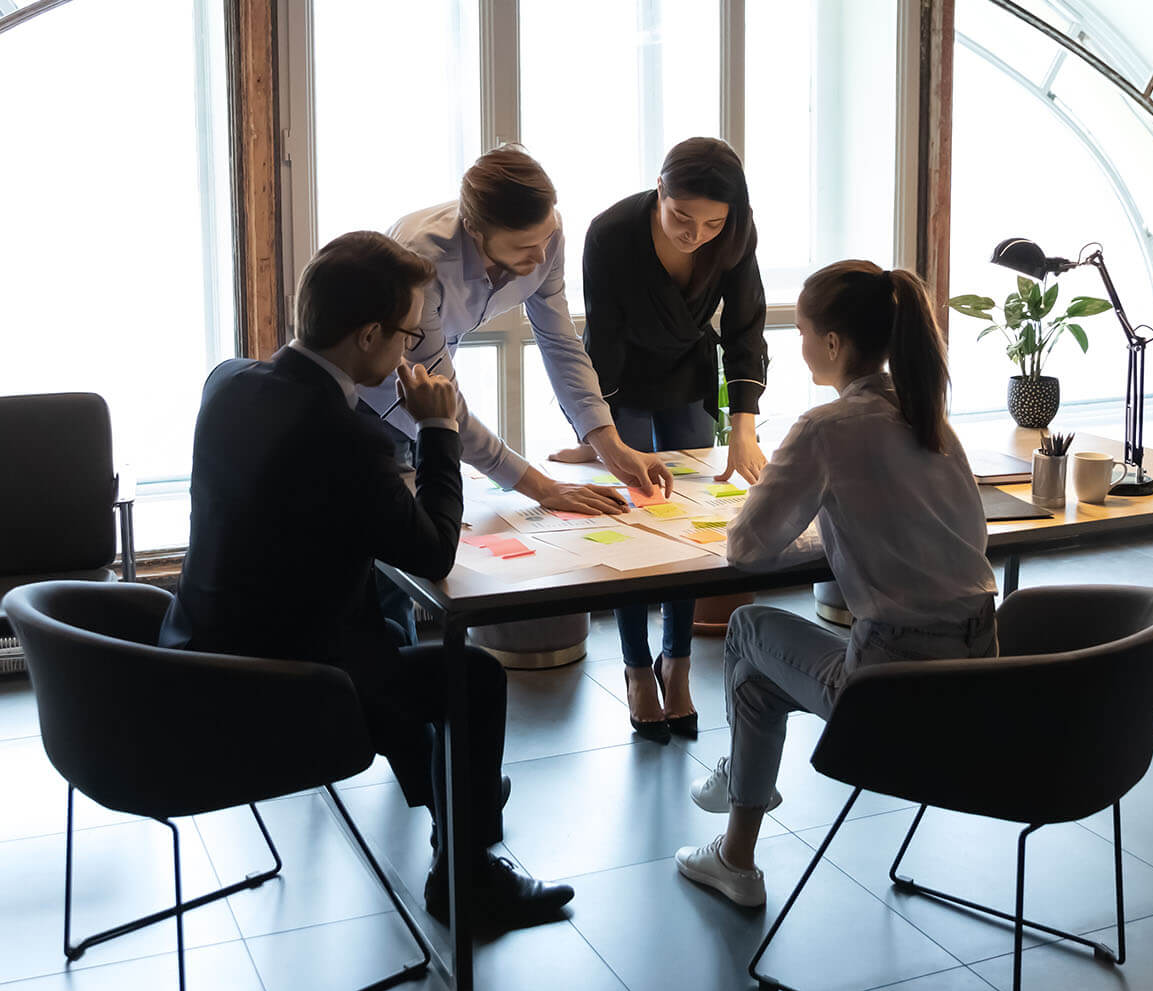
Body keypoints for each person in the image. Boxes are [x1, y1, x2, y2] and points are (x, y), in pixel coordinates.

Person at [160, 231, 573, 927]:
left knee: (386, 634)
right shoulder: (347, 438)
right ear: (369, 334)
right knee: (472, 676)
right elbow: (435, 551)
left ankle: (460, 801)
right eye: (409, 337)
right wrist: (440, 429)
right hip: (280, 691)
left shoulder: (228, 381)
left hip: (194, 658)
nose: (412, 352)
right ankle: (466, 875)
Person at [674, 261, 999, 907]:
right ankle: (736, 828)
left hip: (890, 692)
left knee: (747, 633)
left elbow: (747, 548)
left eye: (800, 332)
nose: (797, 348)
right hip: (982, 683)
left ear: (832, 343)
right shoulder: (930, 417)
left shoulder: (827, 428)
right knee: (759, 680)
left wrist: (811, 519)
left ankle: (737, 835)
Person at [371, 145, 672, 639]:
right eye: (524, 248)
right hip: (374, 398)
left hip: (426, 390)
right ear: (476, 232)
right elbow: (443, 404)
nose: (541, 257)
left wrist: (609, 443)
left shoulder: (546, 238)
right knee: (387, 571)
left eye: (547, 237)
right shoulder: (422, 257)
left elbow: (559, 340)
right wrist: (542, 488)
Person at [579, 136, 769, 742]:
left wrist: (743, 428)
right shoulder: (610, 232)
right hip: (621, 377)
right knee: (635, 521)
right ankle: (637, 668)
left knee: (689, 524)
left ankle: (677, 662)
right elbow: (602, 336)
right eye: (682, 217)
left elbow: (746, 326)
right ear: (659, 189)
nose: (696, 235)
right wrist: (600, 435)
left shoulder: (734, 233)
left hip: (688, 372)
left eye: (713, 223)